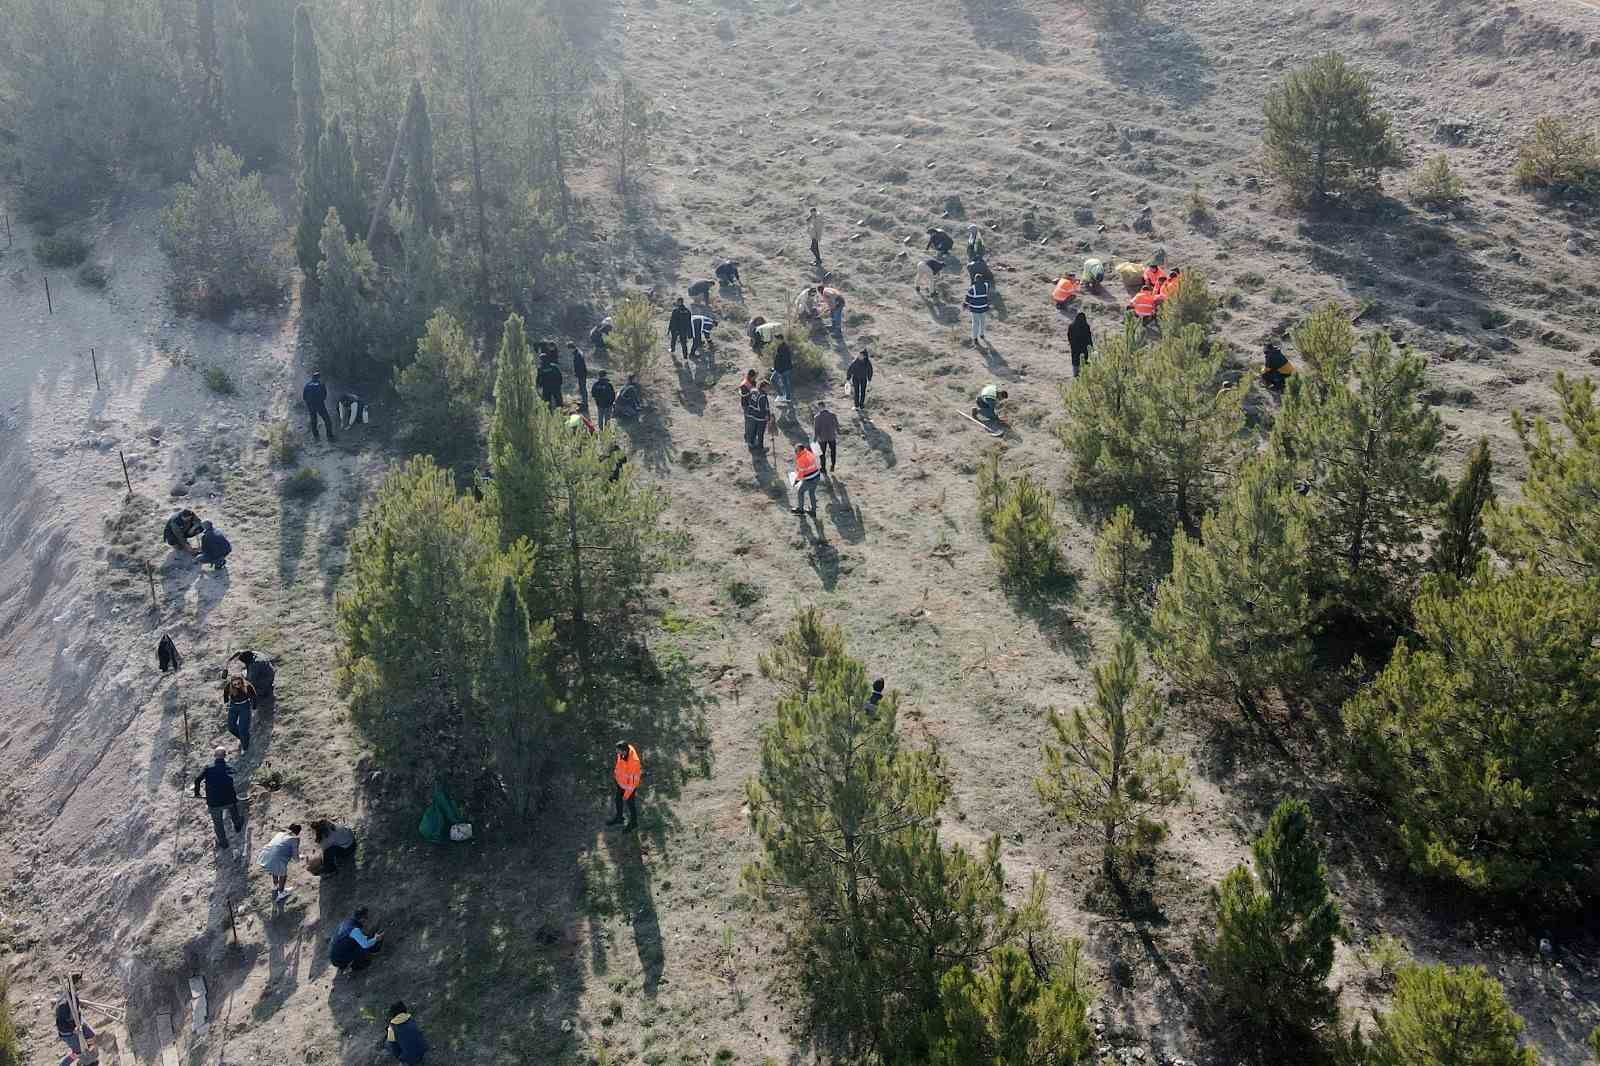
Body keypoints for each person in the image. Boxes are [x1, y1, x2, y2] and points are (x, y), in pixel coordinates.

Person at [194, 748, 244, 849]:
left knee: (218, 824)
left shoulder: (208, 768)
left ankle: (223, 843)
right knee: (234, 811)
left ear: (214, 756)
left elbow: (197, 780)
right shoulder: (228, 767)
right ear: (225, 756)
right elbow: (235, 774)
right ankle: (238, 826)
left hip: (214, 802)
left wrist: (197, 793)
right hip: (229, 799)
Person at [256, 823, 302, 904]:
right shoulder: (294, 840)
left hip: (265, 855)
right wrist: (300, 857)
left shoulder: (280, 833)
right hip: (275, 859)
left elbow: (279, 847)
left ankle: (275, 885)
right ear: (298, 832)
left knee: (275, 867)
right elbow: (296, 859)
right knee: (283, 874)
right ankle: (281, 892)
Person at [329, 907, 383, 972]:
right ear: (362, 919)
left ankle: (347, 962)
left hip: (334, 955)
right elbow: (365, 945)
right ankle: (349, 967)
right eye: (366, 918)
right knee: (366, 960)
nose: (367, 920)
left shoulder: (346, 922)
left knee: (362, 942)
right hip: (339, 959)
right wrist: (376, 939)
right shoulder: (354, 930)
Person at [607, 741, 642, 830]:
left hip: (629, 787)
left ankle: (634, 823)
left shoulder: (634, 762)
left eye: (618, 751)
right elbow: (620, 764)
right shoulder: (624, 751)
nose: (617, 753)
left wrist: (626, 794)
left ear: (624, 751)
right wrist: (616, 776)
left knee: (630, 804)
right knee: (617, 800)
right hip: (621, 783)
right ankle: (619, 818)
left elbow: (633, 783)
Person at [223, 675, 255, 753]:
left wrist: (254, 707)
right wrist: (226, 702)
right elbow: (225, 693)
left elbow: (254, 696)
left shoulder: (247, 686)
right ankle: (243, 738)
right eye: (235, 684)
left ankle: (245, 747)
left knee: (242, 728)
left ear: (242, 681)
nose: (237, 685)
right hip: (234, 706)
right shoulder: (229, 686)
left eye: (239, 683)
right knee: (231, 727)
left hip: (244, 706)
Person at [303, 371, 336, 442]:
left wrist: (309, 404)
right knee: (327, 420)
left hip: (310, 406)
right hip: (319, 405)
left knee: (313, 421)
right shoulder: (321, 384)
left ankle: (316, 436)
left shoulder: (307, 385)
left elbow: (304, 397)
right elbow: (324, 395)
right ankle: (329, 436)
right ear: (319, 377)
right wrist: (320, 401)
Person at [791, 441, 822, 516]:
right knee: (812, 492)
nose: (795, 451)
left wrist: (795, 481)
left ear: (800, 450)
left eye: (796, 450)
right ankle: (813, 510)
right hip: (817, 476)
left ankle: (801, 510)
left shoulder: (801, 459)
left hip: (810, 479)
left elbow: (801, 474)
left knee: (800, 492)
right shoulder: (808, 452)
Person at [813, 401, 839, 474]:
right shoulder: (833, 415)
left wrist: (814, 439)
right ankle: (833, 465)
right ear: (825, 406)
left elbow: (816, 429)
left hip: (822, 438)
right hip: (832, 436)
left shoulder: (817, 417)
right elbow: (837, 425)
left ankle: (823, 468)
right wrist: (838, 432)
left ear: (819, 407)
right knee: (833, 452)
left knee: (822, 454)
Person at [965, 277, 992, 344]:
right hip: (983, 308)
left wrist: (964, 305)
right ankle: (982, 334)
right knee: (982, 321)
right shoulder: (986, 286)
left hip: (975, 309)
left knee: (975, 323)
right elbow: (988, 283)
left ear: (975, 280)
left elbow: (967, 299)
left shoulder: (972, 289)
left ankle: (975, 338)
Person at [747, 380, 772, 452]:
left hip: (753, 415)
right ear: (763, 387)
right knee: (760, 433)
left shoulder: (754, 391)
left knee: (753, 430)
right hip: (760, 418)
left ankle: (751, 443)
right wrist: (768, 417)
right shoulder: (763, 396)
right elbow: (763, 410)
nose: (768, 389)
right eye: (767, 388)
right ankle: (761, 448)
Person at [1068, 311, 1093, 377]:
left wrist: (1072, 345)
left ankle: (1077, 381)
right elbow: (1089, 339)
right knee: (1085, 370)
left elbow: (1069, 337)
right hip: (1085, 352)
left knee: (1076, 369)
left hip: (1075, 351)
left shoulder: (1071, 326)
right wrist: (1091, 349)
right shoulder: (1086, 326)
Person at [569, 344, 588, 409]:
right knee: (582, 389)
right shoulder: (578, 352)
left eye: (569, 349)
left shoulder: (578, 355)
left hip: (581, 374)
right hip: (582, 374)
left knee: (583, 389)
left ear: (571, 348)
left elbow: (580, 366)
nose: (569, 351)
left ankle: (585, 404)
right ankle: (583, 402)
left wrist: (577, 373)